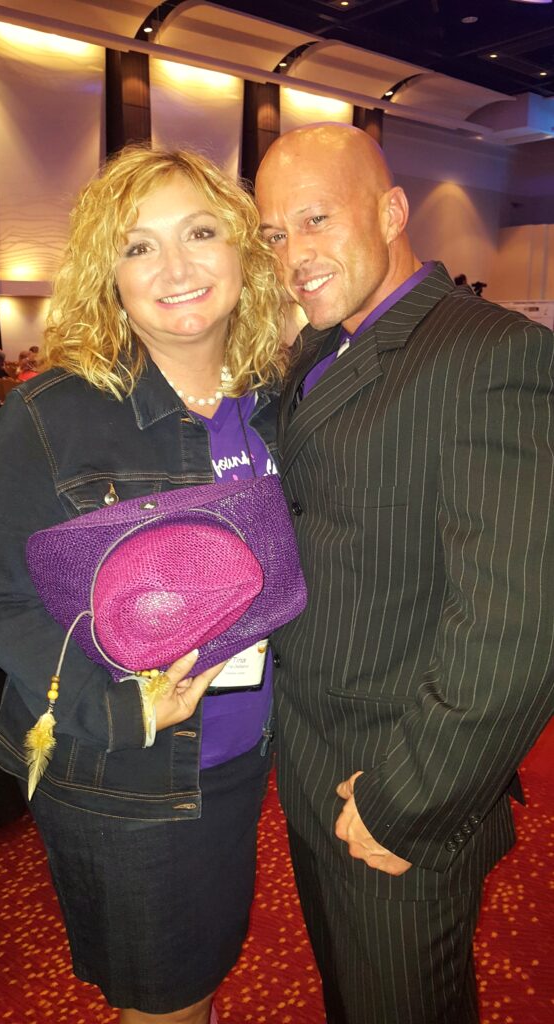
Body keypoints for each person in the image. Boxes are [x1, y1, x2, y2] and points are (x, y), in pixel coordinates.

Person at [0, 145, 288, 1024]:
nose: (175, 267)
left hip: (247, 755)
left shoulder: (277, 399)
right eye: (140, 246)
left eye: (200, 233)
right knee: (165, 1002)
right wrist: (118, 707)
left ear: (242, 252)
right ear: (111, 277)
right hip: (127, 773)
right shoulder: (54, 412)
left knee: (203, 975)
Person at [255, 123, 554, 1024]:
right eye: (275, 235)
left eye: (316, 220)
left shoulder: (489, 355)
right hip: (311, 767)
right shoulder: (318, 349)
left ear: (390, 213)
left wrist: (405, 804)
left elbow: (518, 626)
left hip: (394, 789)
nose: (293, 256)